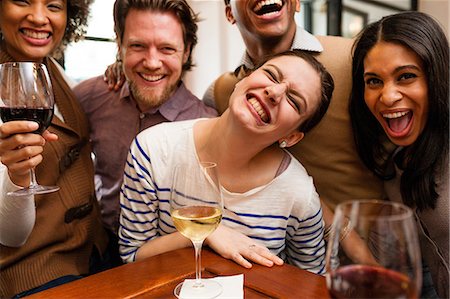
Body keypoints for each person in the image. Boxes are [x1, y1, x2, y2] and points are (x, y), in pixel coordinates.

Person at [119, 49, 334, 274]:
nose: (274, 91)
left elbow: (310, 284)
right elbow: (132, 256)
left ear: (290, 137)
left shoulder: (299, 194)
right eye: (272, 75)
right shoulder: (153, 150)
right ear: (244, 80)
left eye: (294, 100)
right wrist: (207, 233)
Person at [73, 0, 217, 266]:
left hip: (171, 258)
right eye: (138, 46)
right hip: (96, 248)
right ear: (120, 45)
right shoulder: (91, 97)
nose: (152, 62)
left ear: (186, 53)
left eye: (167, 49)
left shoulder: (207, 125)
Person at [0, 0, 108, 297]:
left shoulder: (52, 70)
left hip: (93, 256)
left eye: (53, 5)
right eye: (22, 1)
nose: (38, 17)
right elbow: (10, 234)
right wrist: (18, 175)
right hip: (35, 276)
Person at [349, 11, 449, 299]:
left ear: (436, 77)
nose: (388, 96)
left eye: (406, 76)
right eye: (374, 81)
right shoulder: (396, 167)